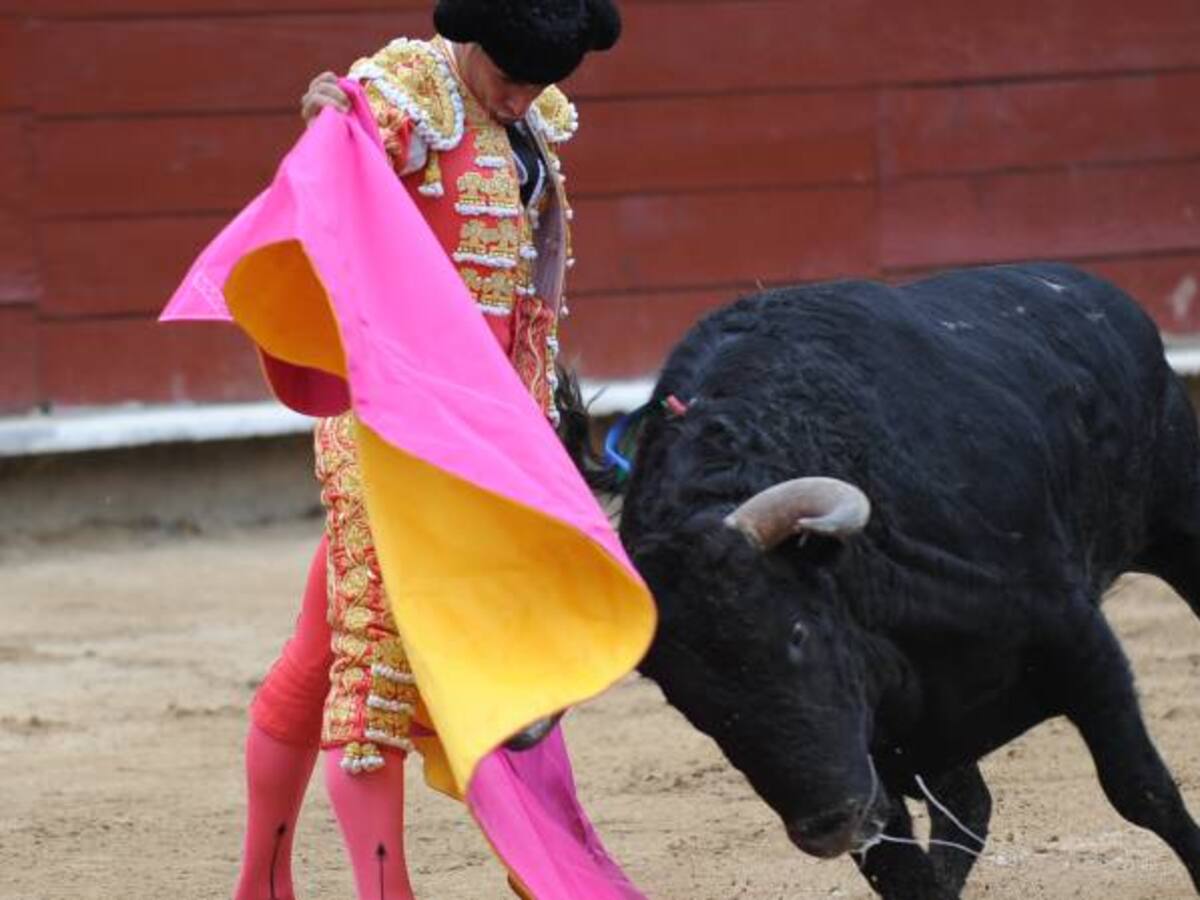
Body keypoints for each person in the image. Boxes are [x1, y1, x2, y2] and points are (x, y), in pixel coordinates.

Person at [232, 2, 623, 898]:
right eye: (510, 77)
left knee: (323, 652)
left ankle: (259, 886)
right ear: (474, 44)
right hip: (391, 430)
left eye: (538, 82)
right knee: (374, 666)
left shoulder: (527, 113)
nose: (523, 98)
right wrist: (327, 122)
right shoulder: (408, 94)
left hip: (490, 433)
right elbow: (334, 170)